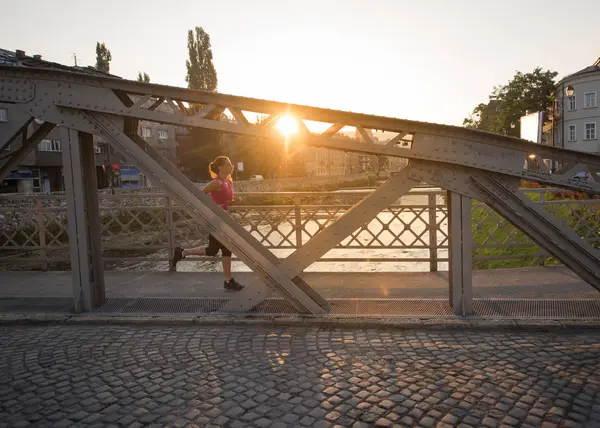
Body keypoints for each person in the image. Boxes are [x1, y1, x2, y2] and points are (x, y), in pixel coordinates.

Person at [169, 156, 244, 291]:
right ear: (220, 167)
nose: (231, 166)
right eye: (228, 165)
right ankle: (228, 281)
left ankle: (182, 252)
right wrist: (210, 210)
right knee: (226, 248)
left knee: (213, 250)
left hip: (223, 220)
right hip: (215, 220)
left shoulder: (228, 181)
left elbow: (224, 200)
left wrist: (233, 202)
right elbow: (199, 195)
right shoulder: (217, 183)